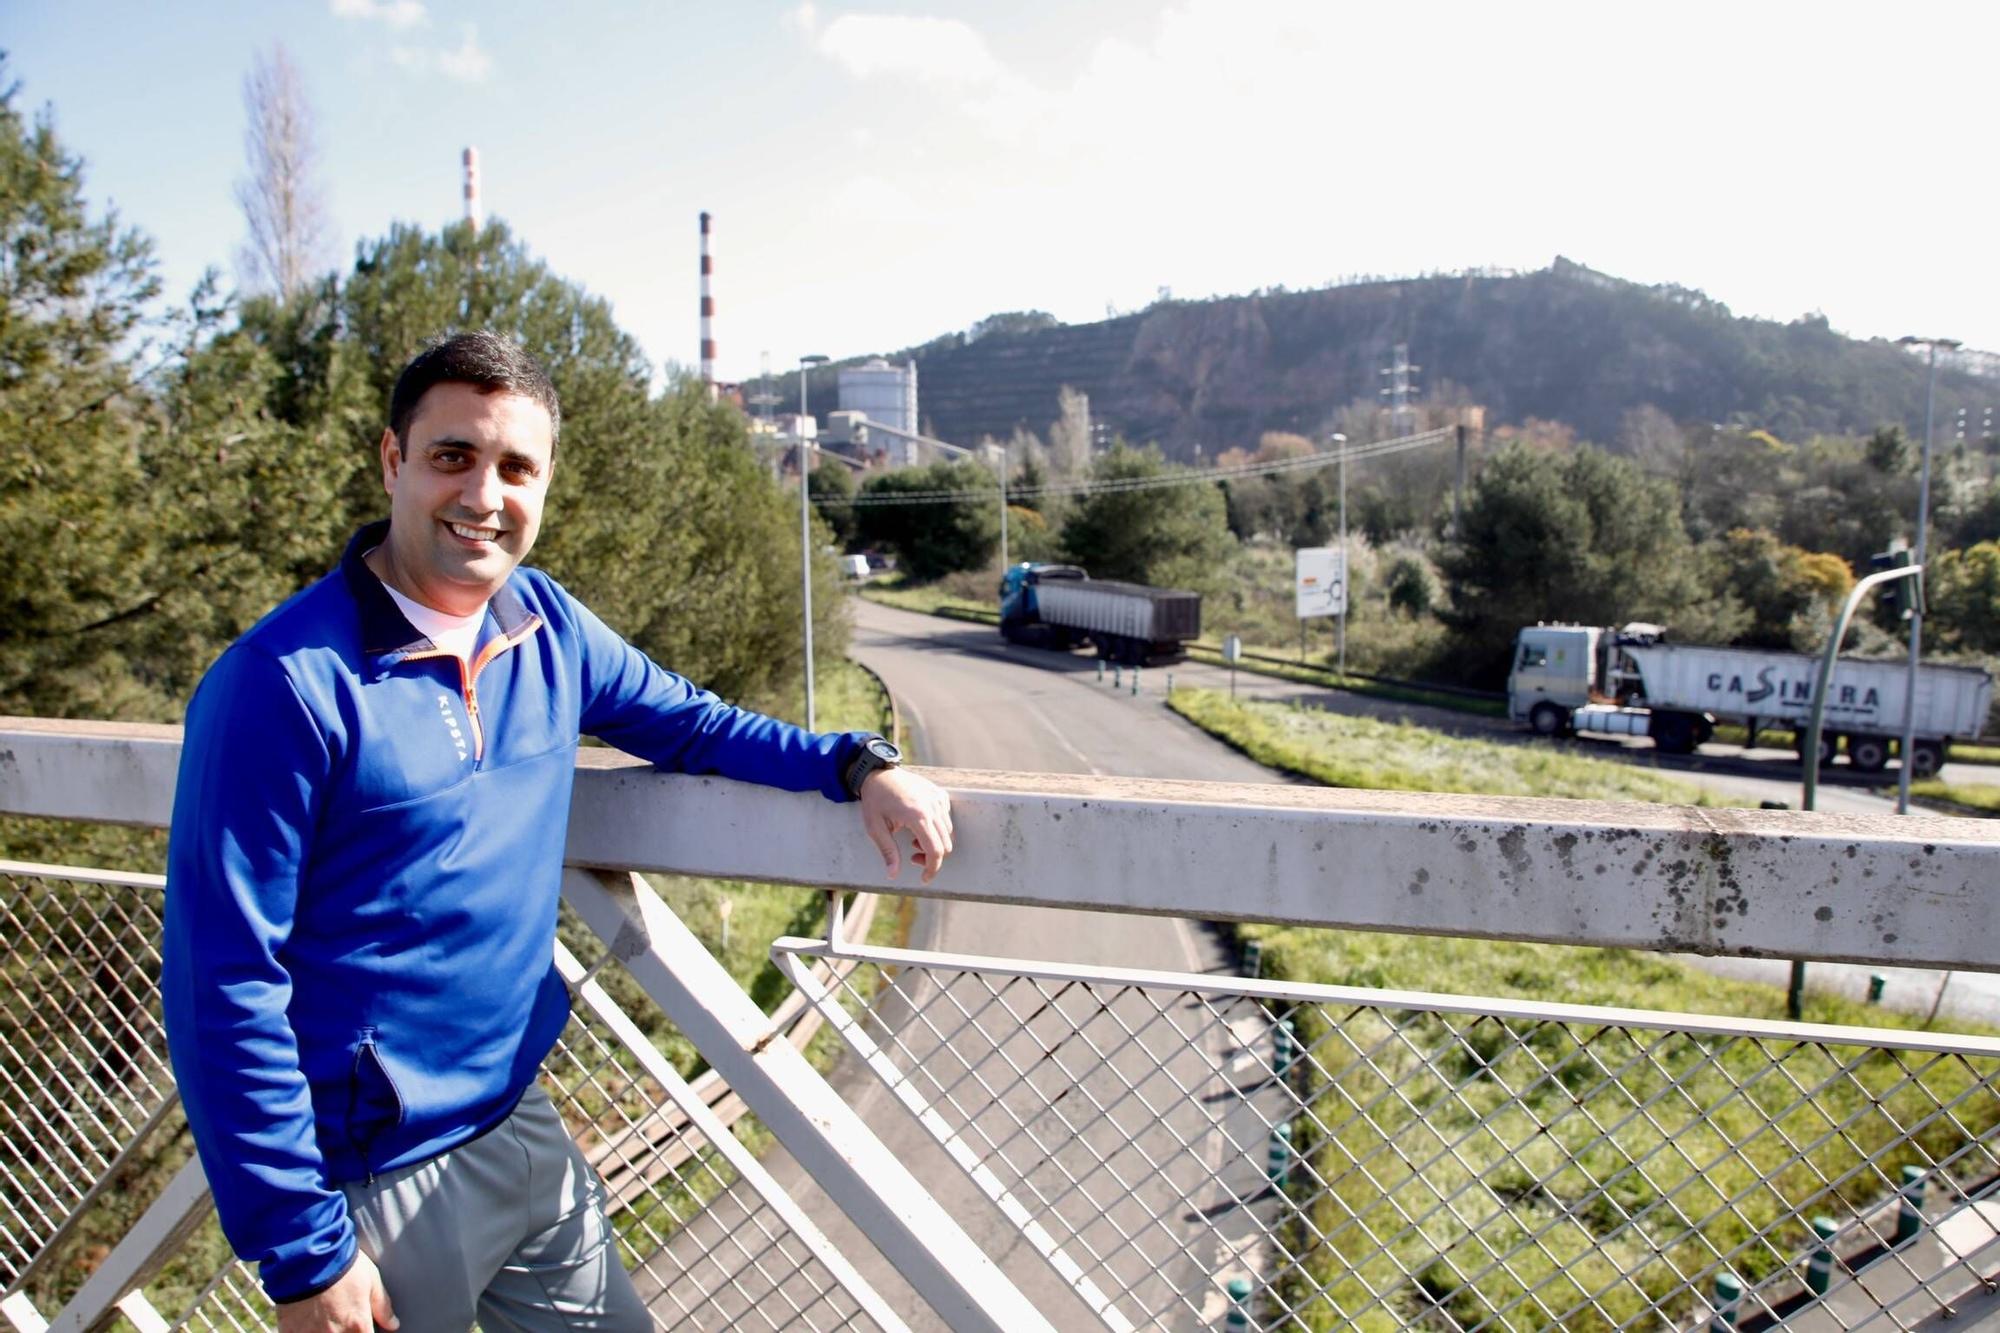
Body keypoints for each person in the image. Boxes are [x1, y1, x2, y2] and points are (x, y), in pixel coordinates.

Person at [161, 331, 953, 1333]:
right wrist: (304, 1250)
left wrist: (855, 763)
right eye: (452, 456)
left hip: (517, 1119)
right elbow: (221, 981)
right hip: (370, 1181)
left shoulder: (544, 625)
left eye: (514, 467)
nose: (483, 496)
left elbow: (692, 721)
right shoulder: (281, 685)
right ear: (392, 461)